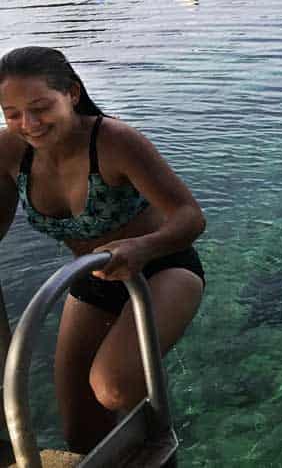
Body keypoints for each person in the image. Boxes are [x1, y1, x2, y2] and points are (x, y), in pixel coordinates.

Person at [0, 47, 206, 454]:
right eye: (12, 113)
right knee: (80, 436)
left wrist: (141, 247)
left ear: (72, 94)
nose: (29, 124)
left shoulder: (114, 141)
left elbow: (189, 217)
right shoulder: (10, 151)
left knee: (112, 386)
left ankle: (161, 445)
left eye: (40, 107)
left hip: (163, 269)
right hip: (92, 279)